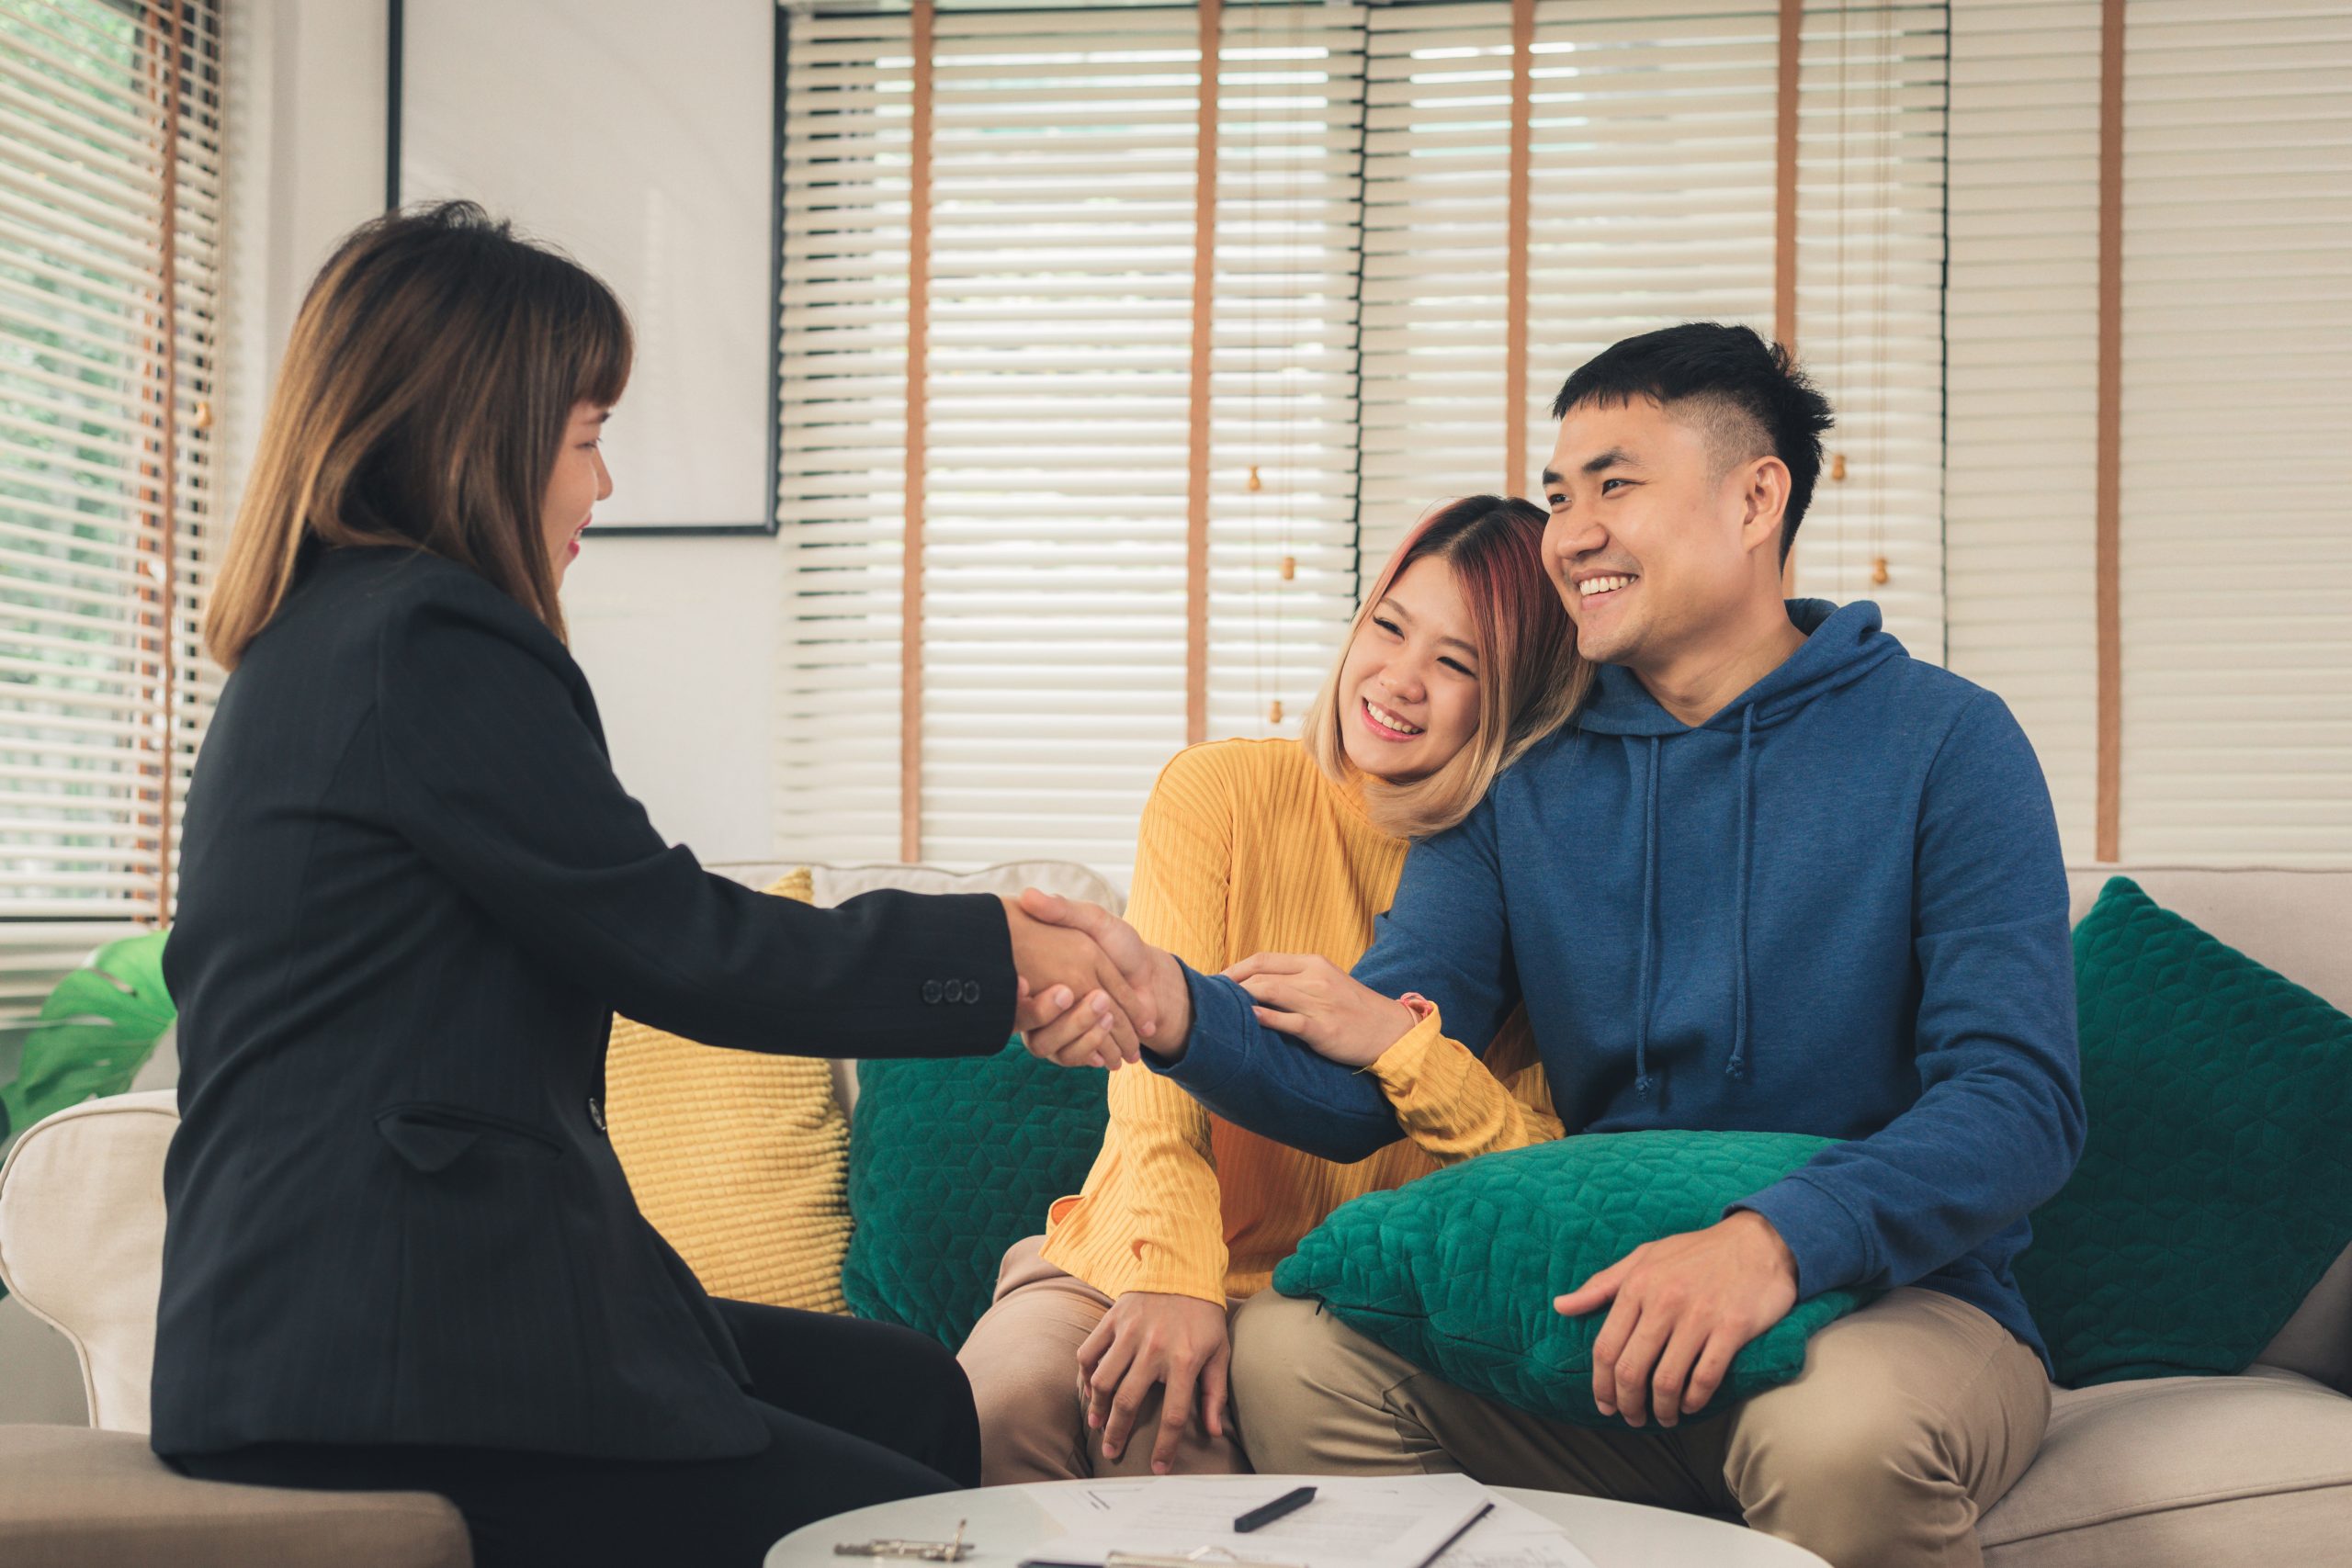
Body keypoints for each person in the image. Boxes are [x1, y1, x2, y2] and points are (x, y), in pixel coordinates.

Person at [153, 202, 1155, 1568]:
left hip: (349, 1324)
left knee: (914, 1390)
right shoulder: (429, 635)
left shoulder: (335, 635)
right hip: (392, 1349)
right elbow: (676, 936)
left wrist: (1000, 947)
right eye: (585, 438)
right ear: (485, 437)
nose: (604, 486)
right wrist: (996, 942)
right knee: (939, 1538)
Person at [1022, 322, 2084, 1568]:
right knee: (1296, 1352)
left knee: (1841, 1438)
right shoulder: (1526, 780)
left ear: (1756, 498)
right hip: (1600, 1309)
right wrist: (1172, 1008)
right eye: (1560, 492)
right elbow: (1363, 1074)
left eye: (1615, 484)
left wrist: (1770, 1239)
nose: (1570, 528)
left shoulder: (1949, 742)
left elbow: (2019, 1099)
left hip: (1899, 1301)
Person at [959, 498, 1587, 1483]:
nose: (1398, 680)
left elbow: (1545, 1168)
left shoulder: (1539, 878)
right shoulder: (1219, 791)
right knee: (996, 1411)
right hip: (1126, 1256)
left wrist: (1402, 1047)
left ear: (1523, 702)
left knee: (1168, 1453)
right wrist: (1172, 1279)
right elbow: (1149, 1068)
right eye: (1388, 627)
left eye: (1457, 664)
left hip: (1345, 1309)